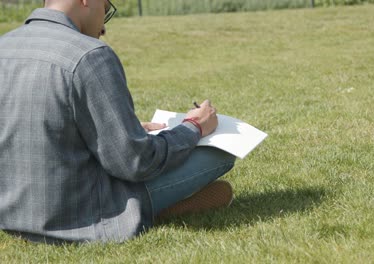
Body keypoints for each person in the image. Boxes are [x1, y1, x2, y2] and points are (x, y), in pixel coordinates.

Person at [0, 0, 236, 243]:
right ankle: (140, 214)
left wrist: (121, 128)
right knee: (220, 153)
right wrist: (194, 128)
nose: (103, 24)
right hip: (81, 215)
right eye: (106, 6)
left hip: (11, 213)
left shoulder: (4, 46)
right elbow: (135, 162)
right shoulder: (89, 54)